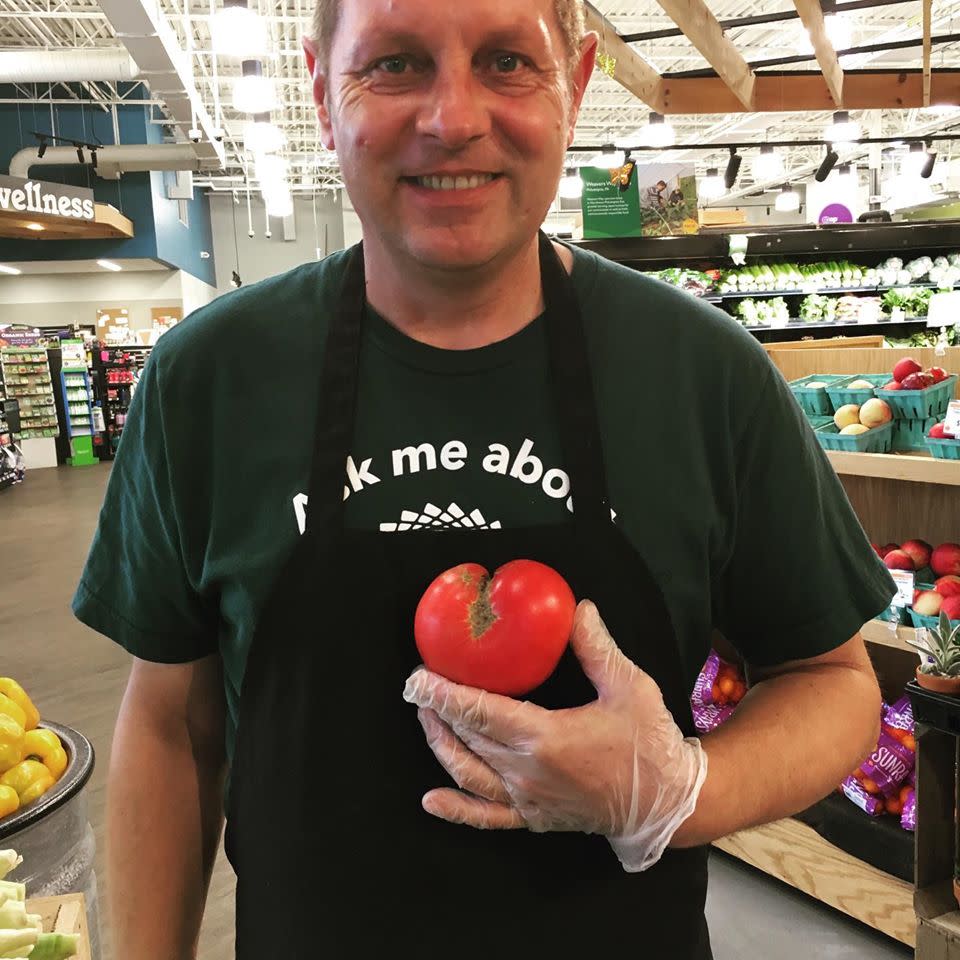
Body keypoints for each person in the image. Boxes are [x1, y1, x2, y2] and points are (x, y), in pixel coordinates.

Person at [73, 0, 893, 957]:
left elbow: (834, 684)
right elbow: (172, 725)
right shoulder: (211, 377)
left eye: (507, 61)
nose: (453, 118)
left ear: (577, 87)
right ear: (320, 92)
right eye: (394, 64)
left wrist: (683, 792)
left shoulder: (701, 373)